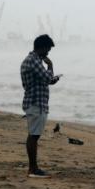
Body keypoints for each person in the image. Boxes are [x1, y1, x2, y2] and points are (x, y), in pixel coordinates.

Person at [20, 34, 61, 178]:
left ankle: (33, 167)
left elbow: (45, 80)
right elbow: (48, 78)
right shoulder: (34, 61)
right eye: (48, 49)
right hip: (36, 102)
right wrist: (50, 65)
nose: (48, 52)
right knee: (34, 136)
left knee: (33, 135)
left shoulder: (31, 60)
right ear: (42, 47)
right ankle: (33, 168)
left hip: (34, 102)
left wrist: (50, 77)